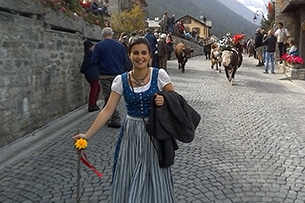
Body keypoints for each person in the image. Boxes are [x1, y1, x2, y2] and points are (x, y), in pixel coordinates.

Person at [73, 37, 175, 202]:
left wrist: (165, 100)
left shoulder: (159, 75)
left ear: (150, 56)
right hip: (131, 135)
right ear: (129, 55)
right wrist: (87, 135)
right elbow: (107, 110)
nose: (140, 57)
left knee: (154, 174)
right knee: (129, 173)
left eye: (144, 53)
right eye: (135, 53)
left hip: (154, 134)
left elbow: (175, 101)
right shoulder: (121, 80)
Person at [92, 27, 127, 128]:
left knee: (108, 96)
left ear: (103, 35)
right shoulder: (120, 46)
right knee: (113, 96)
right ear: (112, 34)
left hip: (105, 75)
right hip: (118, 74)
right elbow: (125, 60)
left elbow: (94, 60)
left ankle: (115, 118)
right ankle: (105, 116)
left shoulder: (99, 46)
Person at [80, 39, 101, 112]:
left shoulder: (88, 54)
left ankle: (93, 103)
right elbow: (87, 63)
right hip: (92, 74)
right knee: (94, 89)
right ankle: (92, 105)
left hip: (91, 74)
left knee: (97, 88)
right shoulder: (90, 54)